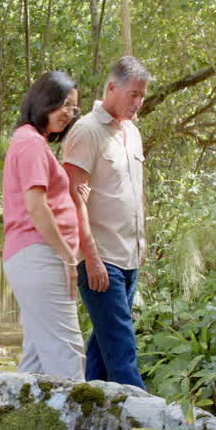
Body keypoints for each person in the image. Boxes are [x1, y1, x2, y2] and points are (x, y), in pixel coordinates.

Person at [62, 56, 153, 388]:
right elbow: (73, 199)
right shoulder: (87, 131)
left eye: (142, 95)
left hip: (130, 256)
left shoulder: (133, 133)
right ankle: (148, 416)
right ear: (112, 88)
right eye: (133, 94)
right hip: (101, 259)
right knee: (122, 351)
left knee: (103, 350)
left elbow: (136, 193)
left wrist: (143, 241)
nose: (138, 102)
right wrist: (92, 258)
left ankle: (85, 411)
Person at [1, 71, 84, 380]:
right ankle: (75, 413)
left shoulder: (30, 142)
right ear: (44, 100)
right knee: (67, 354)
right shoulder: (31, 143)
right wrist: (68, 257)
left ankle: (13, 412)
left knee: (36, 360)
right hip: (40, 254)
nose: (69, 113)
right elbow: (37, 207)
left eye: (74, 107)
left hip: (33, 255)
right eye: (64, 103)